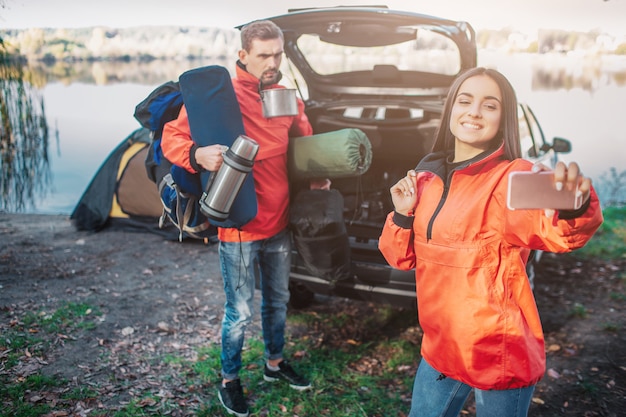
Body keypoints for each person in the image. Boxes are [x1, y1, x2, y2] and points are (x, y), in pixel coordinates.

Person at [378, 67, 603, 417]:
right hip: (440, 348)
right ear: (450, 109)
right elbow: (400, 259)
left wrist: (575, 207)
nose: (474, 112)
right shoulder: (425, 179)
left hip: (497, 352)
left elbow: (557, 233)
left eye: (489, 105)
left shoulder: (512, 177)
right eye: (465, 101)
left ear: (504, 118)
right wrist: (404, 215)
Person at [161, 20, 313, 417]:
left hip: (278, 222)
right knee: (240, 311)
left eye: (278, 53)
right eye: (264, 55)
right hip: (239, 226)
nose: (273, 62)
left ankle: (274, 365)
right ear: (243, 55)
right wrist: (197, 155)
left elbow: (302, 137)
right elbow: (171, 139)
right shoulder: (217, 98)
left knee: (278, 301)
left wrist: (318, 169)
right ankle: (230, 381)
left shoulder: (283, 95)